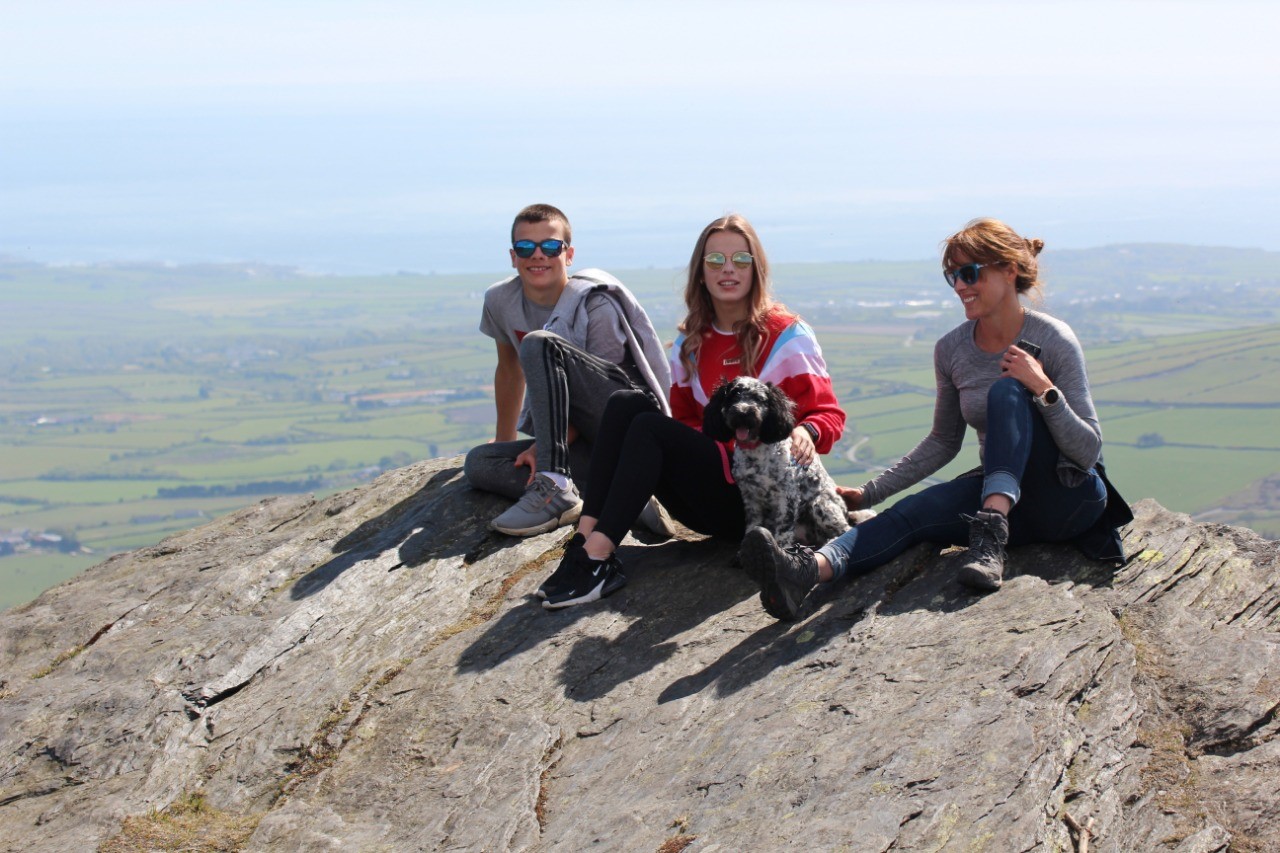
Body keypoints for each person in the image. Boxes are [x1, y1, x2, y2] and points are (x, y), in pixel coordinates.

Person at [741, 217, 1121, 621]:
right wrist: (868, 494)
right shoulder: (952, 349)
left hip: (1068, 494)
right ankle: (803, 572)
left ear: (1009, 271)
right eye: (951, 276)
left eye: (970, 273)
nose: (959, 285)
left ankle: (989, 533)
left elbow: (1087, 450)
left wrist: (1044, 390)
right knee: (911, 514)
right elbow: (942, 442)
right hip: (1014, 503)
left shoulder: (1053, 338)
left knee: (1008, 390)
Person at [540, 214, 846, 610]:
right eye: (715, 261)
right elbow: (685, 419)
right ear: (701, 272)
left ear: (757, 268)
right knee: (624, 404)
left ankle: (598, 556)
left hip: (765, 502)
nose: (728, 270)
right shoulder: (690, 340)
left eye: (741, 259)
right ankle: (584, 544)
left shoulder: (787, 335)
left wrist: (808, 431)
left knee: (649, 426)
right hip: (713, 488)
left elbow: (829, 414)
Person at [463, 204, 674, 537]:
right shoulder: (500, 300)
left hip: (619, 424)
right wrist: (507, 439)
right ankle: (617, 495)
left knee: (539, 344)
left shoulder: (595, 305)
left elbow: (609, 397)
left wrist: (547, 448)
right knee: (480, 464)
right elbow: (508, 370)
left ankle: (557, 487)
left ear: (569, 253)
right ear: (512, 256)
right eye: (525, 247)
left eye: (550, 246)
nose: (537, 256)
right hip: (580, 446)